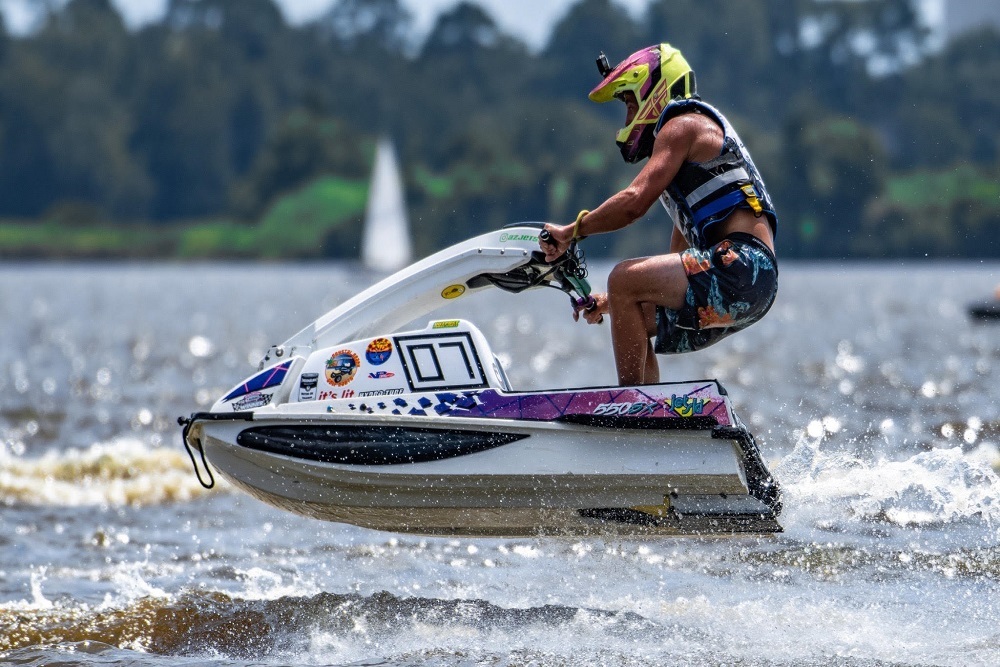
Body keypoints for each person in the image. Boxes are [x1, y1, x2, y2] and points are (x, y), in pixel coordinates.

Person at [540, 43, 778, 386]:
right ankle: (651, 416)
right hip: (751, 281)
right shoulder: (685, 167)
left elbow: (634, 202)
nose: (626, 119)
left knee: (622, 278)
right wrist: (614, 304)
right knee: (632, 301)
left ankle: (630, 408)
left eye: (629, 103)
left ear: (654, 90)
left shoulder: (682, 125)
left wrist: (570, 232)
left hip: (743, 265)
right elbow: (679, 260)